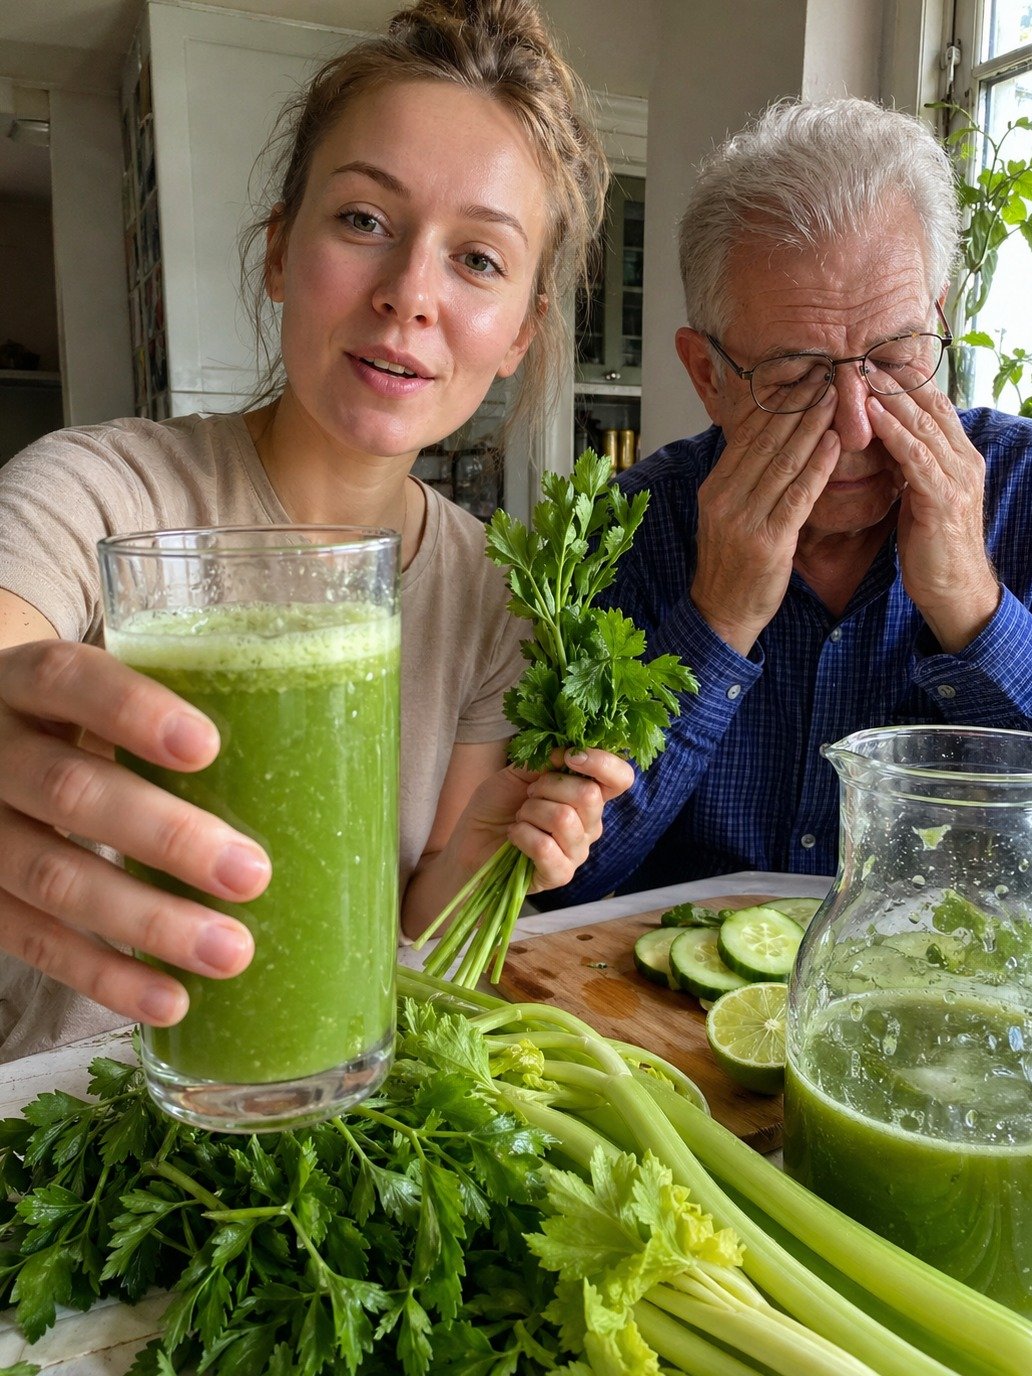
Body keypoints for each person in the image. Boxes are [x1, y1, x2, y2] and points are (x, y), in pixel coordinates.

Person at [0, 0, 633, 1059]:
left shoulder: (490, 595)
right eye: (363, 221)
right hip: (68, 1120)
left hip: (318, 1099)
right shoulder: (95, 493)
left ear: (521, 330)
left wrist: (488, 842)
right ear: (279, 255)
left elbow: (414, 937)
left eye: (478, 259)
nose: (407, 294)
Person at [536, 95, 1032, 907]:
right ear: (709, 377)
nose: (857, 424)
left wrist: (971, 606)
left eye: (896, 355)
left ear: (938, 319)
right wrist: (717, 623)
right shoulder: (621, 533)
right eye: (795, 376)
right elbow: (560, 890)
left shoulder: (1023, 488)